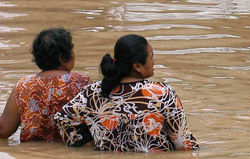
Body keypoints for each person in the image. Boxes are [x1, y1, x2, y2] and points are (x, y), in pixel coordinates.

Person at [53, 34, 198, 152]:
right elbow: (183, 144)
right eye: (151, 56)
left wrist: (88, 146)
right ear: (137, 66)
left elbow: (62, 118)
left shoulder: (93, 92)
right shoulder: (163, 94)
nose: (154, 61)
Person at [0, 28, 90, 142]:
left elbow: (3, 128)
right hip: (71, 153)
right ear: (63, 57)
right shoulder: (83, 83)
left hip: (30, 155)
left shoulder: (24, 85)